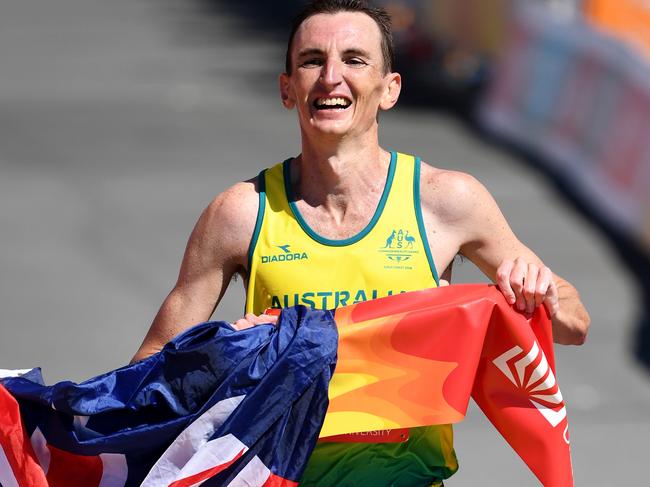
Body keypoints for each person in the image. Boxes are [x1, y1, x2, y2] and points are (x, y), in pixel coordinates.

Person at [132, 0, 590, 485]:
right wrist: (235, 352)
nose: (331, 76)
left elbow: (573, 323)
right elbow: (149, 373)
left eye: (354, 60)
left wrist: (539, 293)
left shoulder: (445, 201)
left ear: (389, 89)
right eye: (312, 60)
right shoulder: (242, 213)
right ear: (287, 89)